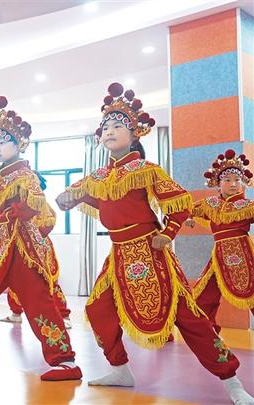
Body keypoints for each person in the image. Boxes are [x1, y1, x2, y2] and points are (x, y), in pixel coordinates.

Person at [56, 82, 253, 404]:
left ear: (134, 134)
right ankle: (120, 369)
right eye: (105, 127)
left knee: (188, 317)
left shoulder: (147, 170)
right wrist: (66, 198)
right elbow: (82, 196)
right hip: (118, 253)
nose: (109, 131)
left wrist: (169, 233)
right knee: (97, 308)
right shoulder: (99, 176)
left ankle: (231, 380)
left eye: (117, 126)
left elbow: (181, 203)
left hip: (150, 251)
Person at [0, 96, 82, 382]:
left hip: (24, 246)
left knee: (38, 301)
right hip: (5, 247)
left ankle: (65, 361)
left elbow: (38, 208)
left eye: (2, 142)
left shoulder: (26, 175)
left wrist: (14, 212)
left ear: (18, 144)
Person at [186, 149, 254, 333]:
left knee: (252, 293)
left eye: (237, 180)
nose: (233, 184)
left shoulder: (248, 206)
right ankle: (209, 338)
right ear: (218, 183)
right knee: (204, 298)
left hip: (243, 255)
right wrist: (189, 217)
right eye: (228, 180)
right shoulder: (210, 204)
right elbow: (187, 209)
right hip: (218, 256)